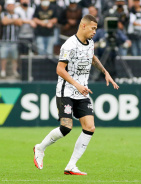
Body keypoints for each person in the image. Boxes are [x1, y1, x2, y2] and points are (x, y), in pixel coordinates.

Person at [33, 14, 119, 175]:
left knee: (90, 127)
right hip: (66, 91)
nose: (95, 32)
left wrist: (105, 72)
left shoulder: (90, 43)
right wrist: (77, 85)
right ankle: (40, 148)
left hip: (82, 92)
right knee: (66, 127)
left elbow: (91, 57)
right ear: (83, 26)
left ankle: (71, 165)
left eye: (96, 28)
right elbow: (59, 69)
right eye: (93, 28)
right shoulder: (69, 45)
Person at [0, 0, 22, 78]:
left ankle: (14, 71)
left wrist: (10, 20)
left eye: (12, 5)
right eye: (9, 5)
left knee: (14, 57)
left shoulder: (17, 14)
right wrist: (14, 20)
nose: (11, 7)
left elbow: (19, 22)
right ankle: (3, 71)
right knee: (3, 57)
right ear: (6, 6)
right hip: (4, 40)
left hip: (14, 40)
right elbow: (4, 22)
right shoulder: (3, 13)